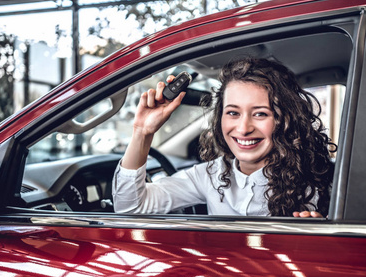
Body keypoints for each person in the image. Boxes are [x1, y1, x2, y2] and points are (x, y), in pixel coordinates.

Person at [112, 57, 336, 217]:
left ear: (284, 119)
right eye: (233, 113)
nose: (243, 128)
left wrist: (318, 232)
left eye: (260, 113)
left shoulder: (320, 177)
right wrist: (142, 132)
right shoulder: (209, 175)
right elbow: (131, 208)